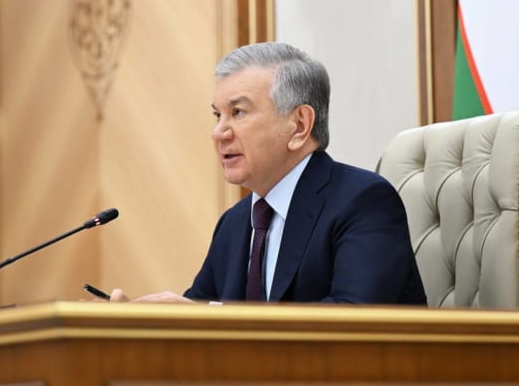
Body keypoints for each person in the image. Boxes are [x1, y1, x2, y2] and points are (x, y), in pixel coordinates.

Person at [110, 42, 426, 304]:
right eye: (217, 115)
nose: (218, 132)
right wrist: (146, 326)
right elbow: (200, 318)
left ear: (300, 125)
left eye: (238, 112)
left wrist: (215, 319)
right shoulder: (235, 223)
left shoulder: (363, 202)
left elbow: (351, 323)